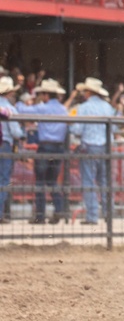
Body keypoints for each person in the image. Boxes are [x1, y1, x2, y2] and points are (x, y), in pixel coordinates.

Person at [15, 78, 70, 223]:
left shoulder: (43, 107)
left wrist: (25, 100)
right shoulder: (63, 109)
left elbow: (21, 109)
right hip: (58, 147)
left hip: (45, 146)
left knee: (40, 181)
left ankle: (40, 215)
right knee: (53, 181)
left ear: (46, 94)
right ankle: (59, 210)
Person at [68, 77, 117, 225]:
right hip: (106, 147)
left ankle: (92, 216)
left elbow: (77, 129)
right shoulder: (108, 107)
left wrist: (70, 126)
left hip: (89, 146)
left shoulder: (83, 108)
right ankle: (109, 213)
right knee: (105, 182)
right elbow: (114, 128)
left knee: (89, 181)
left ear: (88, 92)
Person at [0, 76, 24, 224]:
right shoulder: (9, 108)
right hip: (5, 145)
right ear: (9, 92)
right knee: (3, 180)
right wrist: (23, 134)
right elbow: (16, 132)